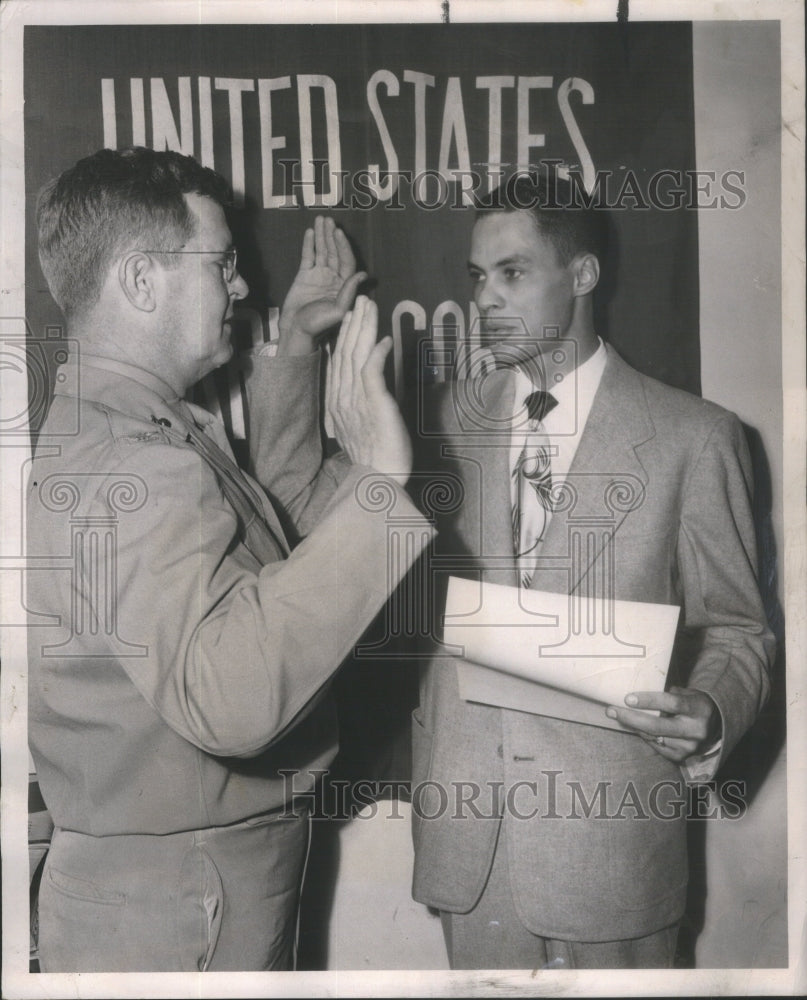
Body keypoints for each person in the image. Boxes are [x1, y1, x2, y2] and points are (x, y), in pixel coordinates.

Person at [26, 146, 425, 972]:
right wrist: (381, 484)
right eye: (222, 264)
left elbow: (264, 531)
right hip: (184, 897)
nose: (241, 288)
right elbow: (230, 696)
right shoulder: (140, 463)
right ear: (142, 282)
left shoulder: (121, 425)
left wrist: (297, 349)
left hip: (172, 882)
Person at [408, 170, 775, 969]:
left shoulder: (694, 436)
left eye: (512, 273)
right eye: (477, 277)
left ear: (581, 276)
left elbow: (740, 628)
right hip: (470, 848)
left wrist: (712, 706)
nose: (484, 300)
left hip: (614, 849)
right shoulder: (440, 424)